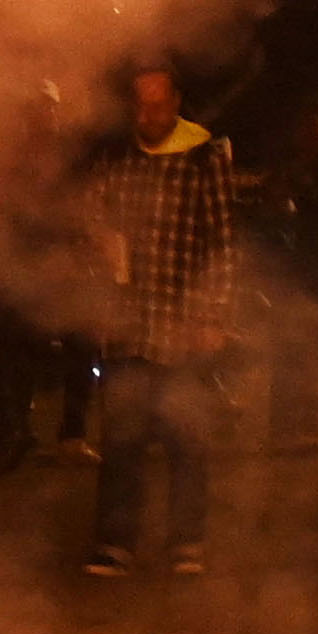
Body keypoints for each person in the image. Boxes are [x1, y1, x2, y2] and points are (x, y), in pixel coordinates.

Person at [84, 58, 238, 578]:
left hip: (185, 321)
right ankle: (116, 543)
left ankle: (186, 541)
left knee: (186, 436)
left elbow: (221, 242)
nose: (149, 113)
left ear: (175, 103)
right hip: (129, 322)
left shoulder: (204, 156)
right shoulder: (118, 159)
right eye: (141, 104)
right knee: (122, 436)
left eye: (158, 103)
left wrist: (213, 314)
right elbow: (95, 219)